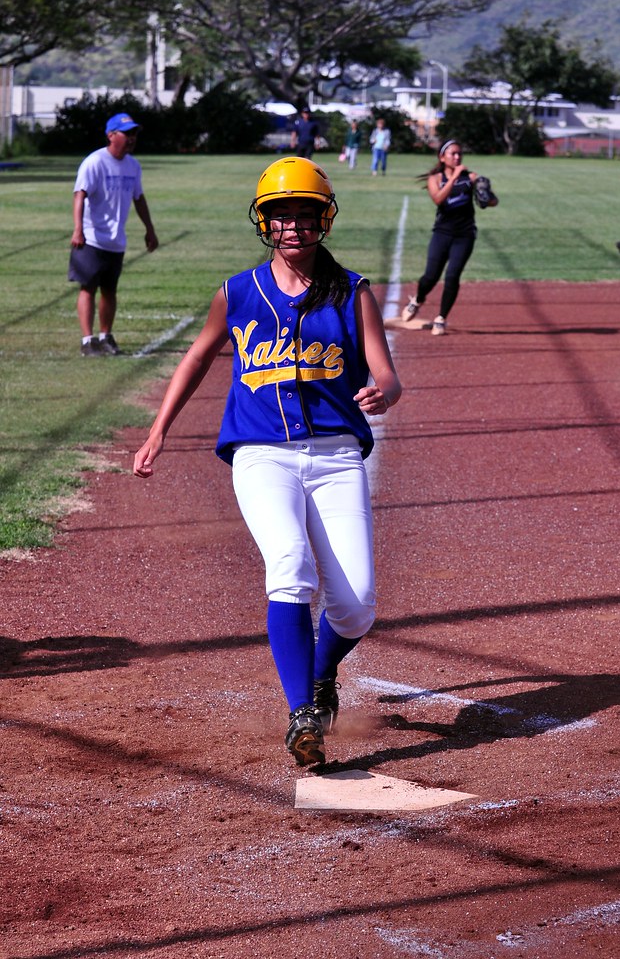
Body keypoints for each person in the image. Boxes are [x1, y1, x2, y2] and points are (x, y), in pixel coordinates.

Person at [133, 157, 401, 768]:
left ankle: (321, 674)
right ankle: (302, 712)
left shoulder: (352, 291)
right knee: (290, 564)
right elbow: (198, 358)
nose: (293, 228)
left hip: (335, 454)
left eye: (305, 216)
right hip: (260, 456)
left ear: (323, 221)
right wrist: (158, 431)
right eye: (280, 216)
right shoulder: (235, 292)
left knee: (356, 607)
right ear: (263, 222)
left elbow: (386, 372)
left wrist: (384, 391)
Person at [69, 112, 158, 356]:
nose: (131, 138)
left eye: (134, 134)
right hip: (90, 236)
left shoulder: (133, 165)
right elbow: (80, 194)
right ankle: (88, 340)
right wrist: (78, 229)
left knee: (109, 290)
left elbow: (138, 198)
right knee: (88, 287)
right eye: (126, 133)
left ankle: (105, 336)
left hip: (116, 240)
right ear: (111, 135)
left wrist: (149, 229)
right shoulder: (95, 162)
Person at [401, 139, 498, 336]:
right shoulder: (435, 178)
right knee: (430, 276)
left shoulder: (470, 177)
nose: (457, 157)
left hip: (465, 235)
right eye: (453, 154)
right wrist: (454, 177)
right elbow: (438, 199)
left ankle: (441, 318)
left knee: (452, 276)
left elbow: (492, 201)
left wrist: (486, 194)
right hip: (442, 234)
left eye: (459, 154)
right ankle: (418, 299)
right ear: (442, 157)